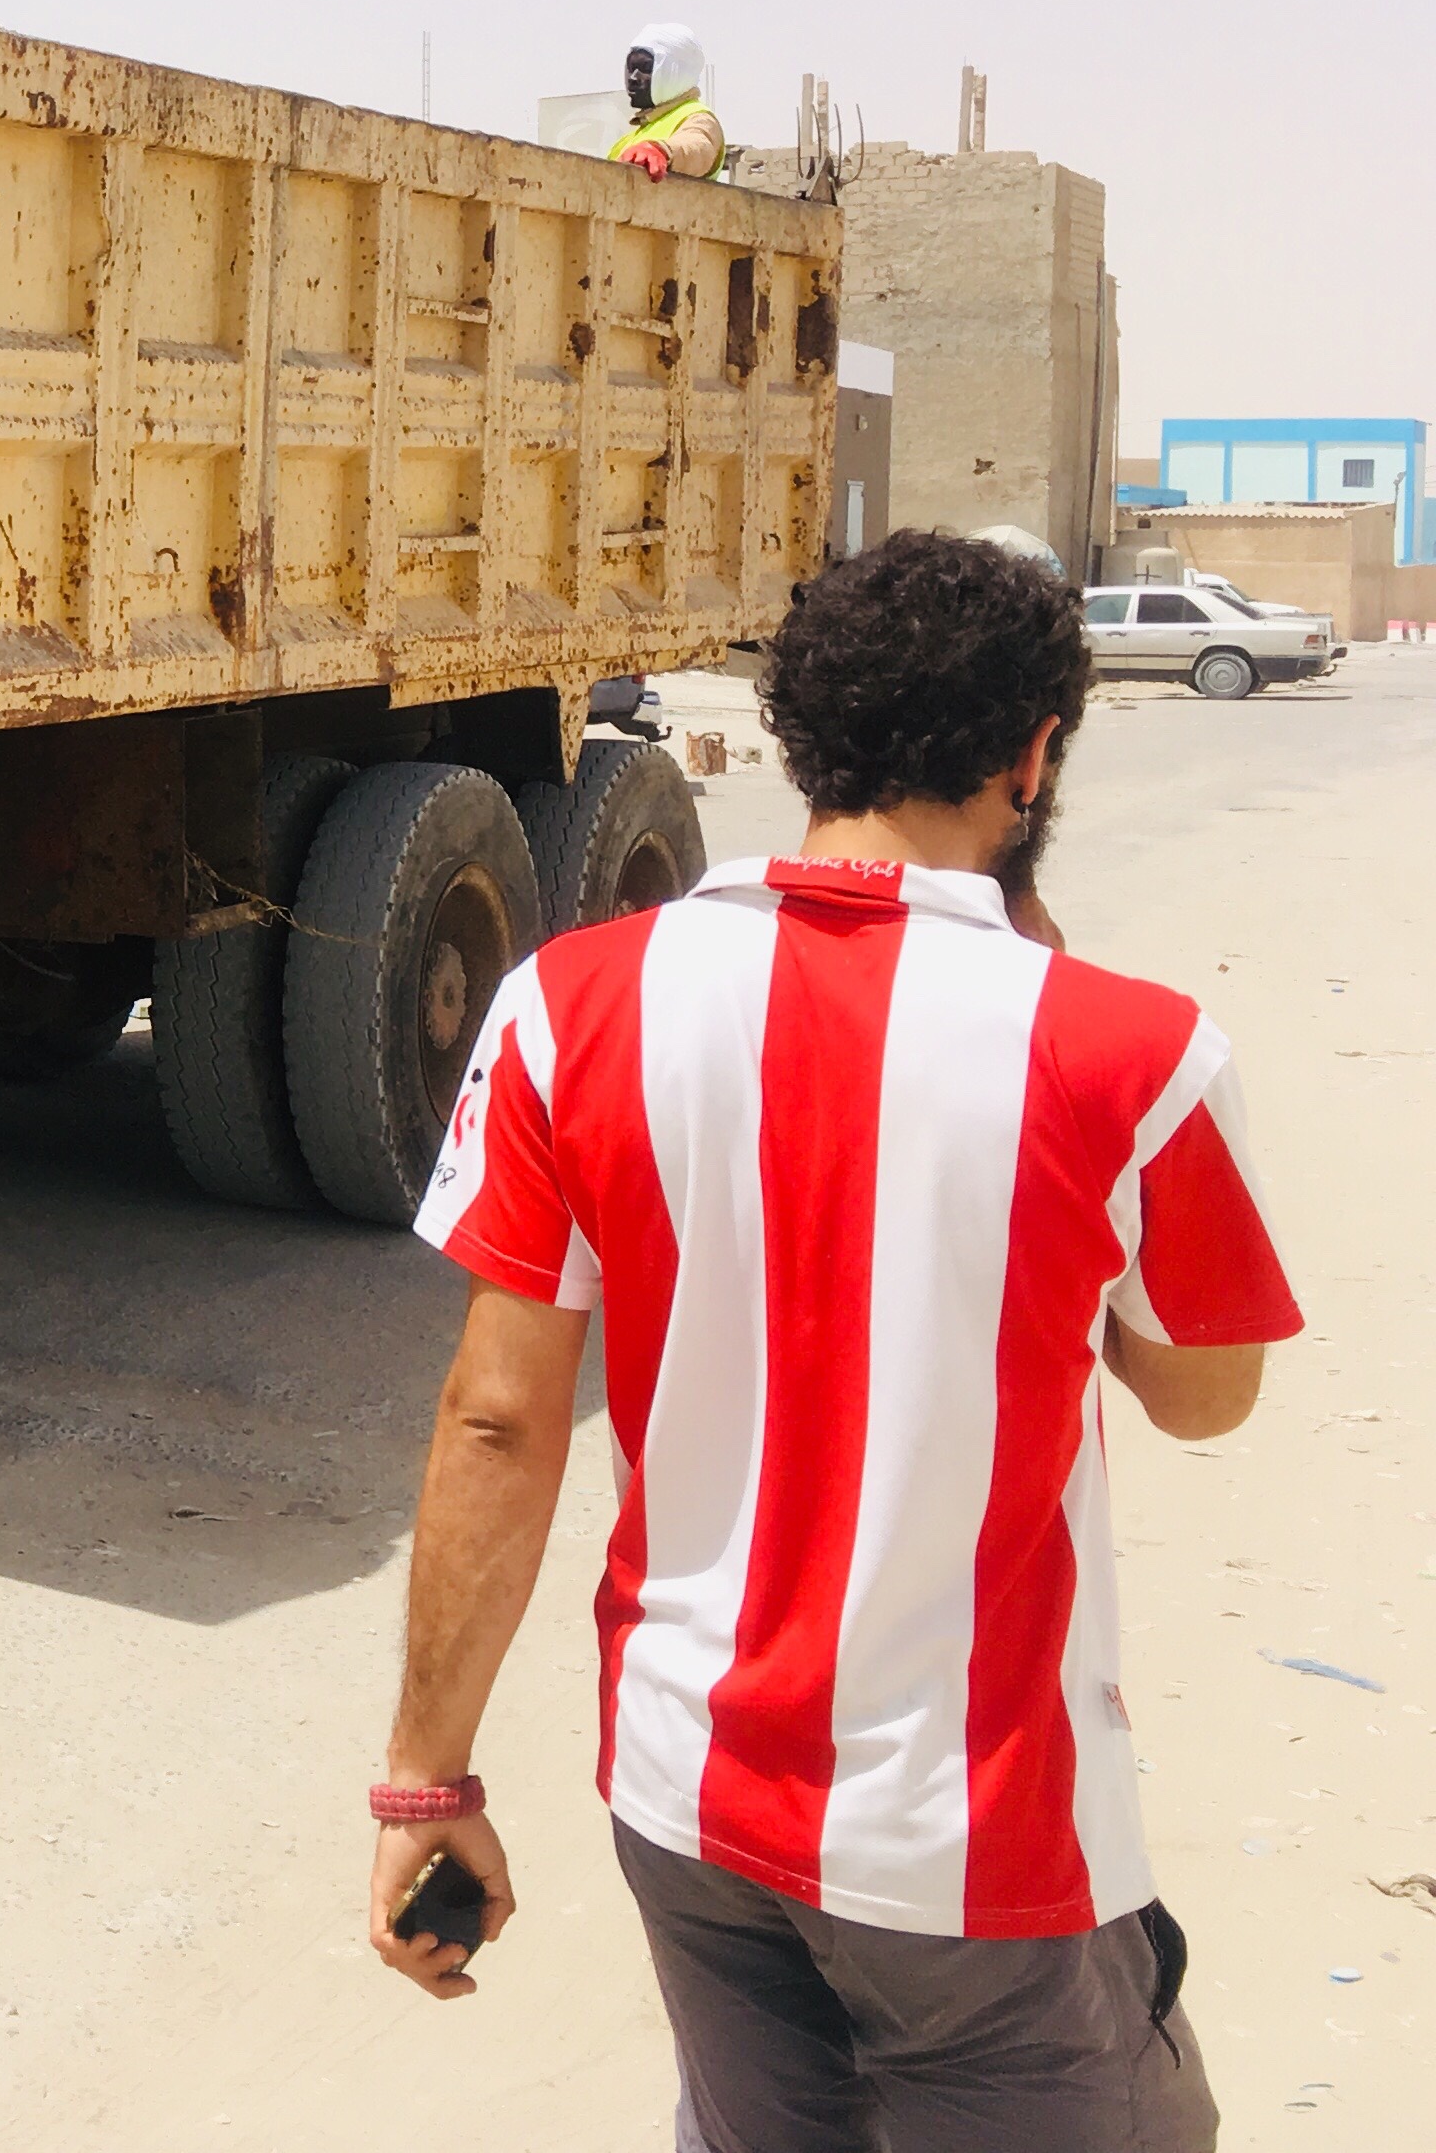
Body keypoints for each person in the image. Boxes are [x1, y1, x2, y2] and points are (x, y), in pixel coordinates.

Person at [363, 529, 1298, 2150]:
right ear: (1033, 755)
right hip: (976, 1846)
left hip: (685, 1799)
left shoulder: (570, 1002)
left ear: (797, 739)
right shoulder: (1125, 1052)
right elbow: (1204, 1393)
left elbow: (496, 1425)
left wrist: (423, 1786)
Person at [613, 22, 728, 182]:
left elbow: (698, 147)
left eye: (645, 68)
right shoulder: (625, 142)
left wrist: (663, 151)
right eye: (631, 67)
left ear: (676, 71)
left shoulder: (698, 117)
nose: (633, 77)